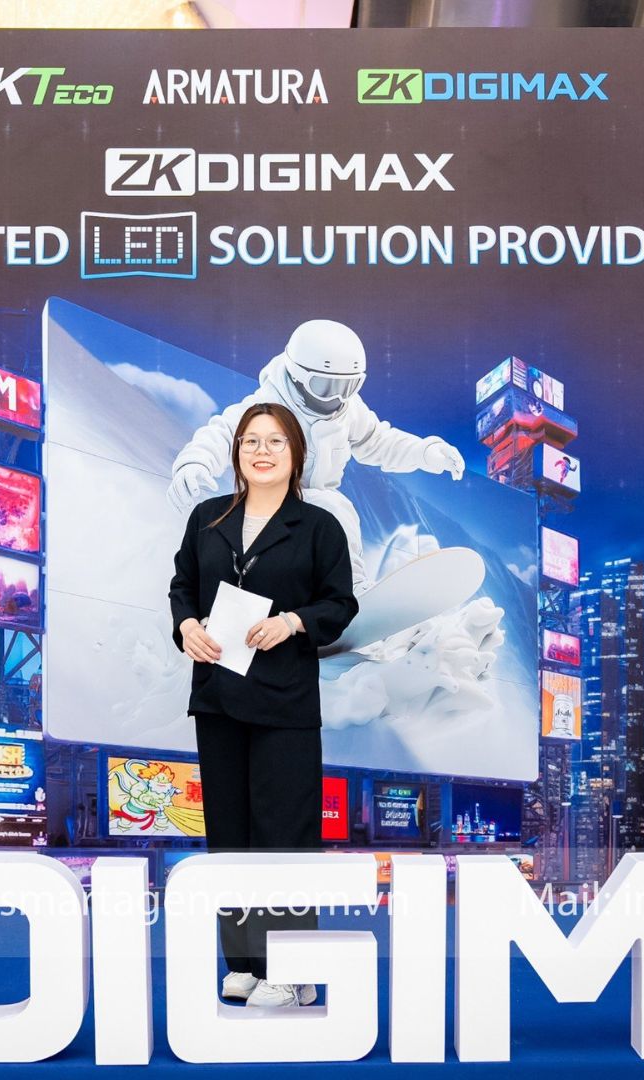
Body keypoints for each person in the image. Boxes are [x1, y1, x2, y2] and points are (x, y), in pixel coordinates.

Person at [168, 401, 359, 1009]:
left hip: (285, 704)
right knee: (228, 833)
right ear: (237, 452)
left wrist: (294, 622)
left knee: (284, 835)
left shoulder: (319, 526)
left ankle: (291, 969)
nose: (262, 451)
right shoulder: (207, 518)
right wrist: (186, 625)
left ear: (296, 453)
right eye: (251, 440)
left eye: (276, 441)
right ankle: (245, 965)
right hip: (218, 697)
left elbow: (340, 604)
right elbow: (181, 586)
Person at [166, 319, 465, 590]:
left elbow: (377, 441)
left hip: (312, 509)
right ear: (298, 376)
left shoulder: (348, 410)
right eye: (323, 386)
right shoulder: (269, 406)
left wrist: (427, 453)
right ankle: (344, 588)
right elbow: (223, 432)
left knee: (331, 508)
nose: (336, 398)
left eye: (348, 386)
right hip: (269, 504)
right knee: (331, 508)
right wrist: (195, 463)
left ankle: (345, 590)